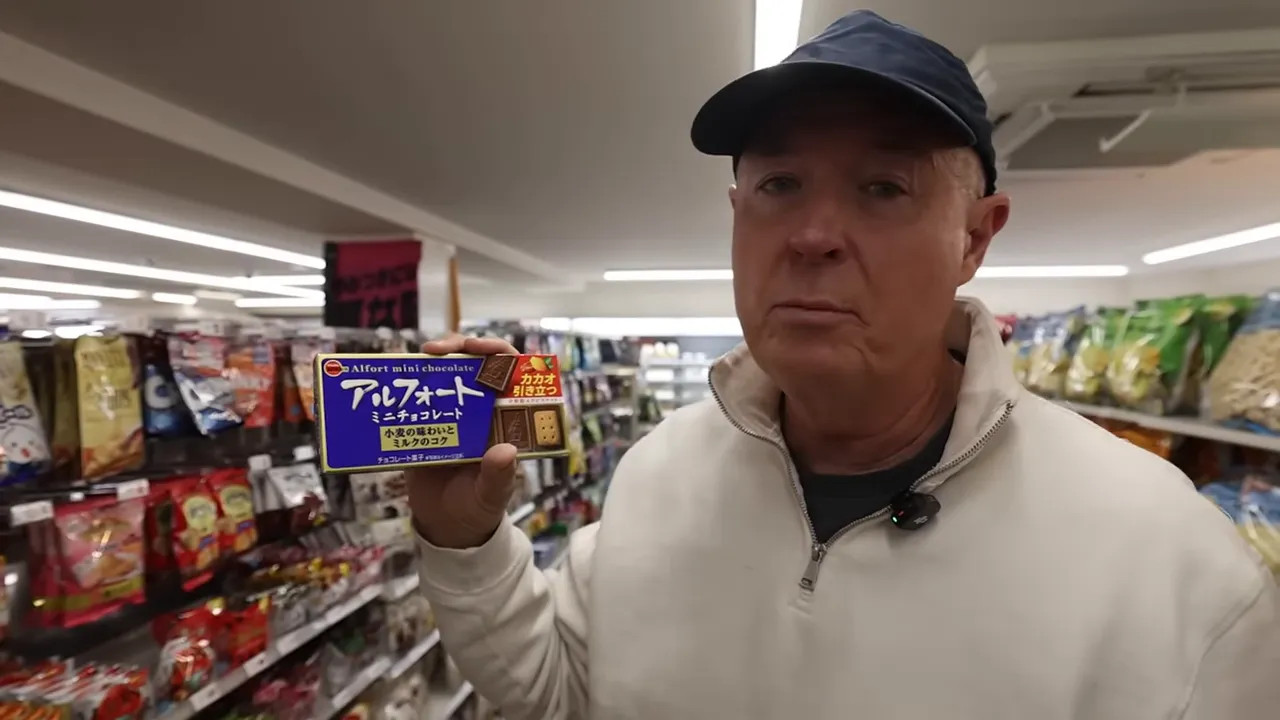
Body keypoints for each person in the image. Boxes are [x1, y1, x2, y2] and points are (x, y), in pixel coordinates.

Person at [407, 10, 1279, 719]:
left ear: (975, 237)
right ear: (736, 213)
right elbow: (562, 694)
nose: (814, 236)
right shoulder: (657, 474)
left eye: (883, 188)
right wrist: (467, 544)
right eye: (779, 185)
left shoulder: (1165, 556)